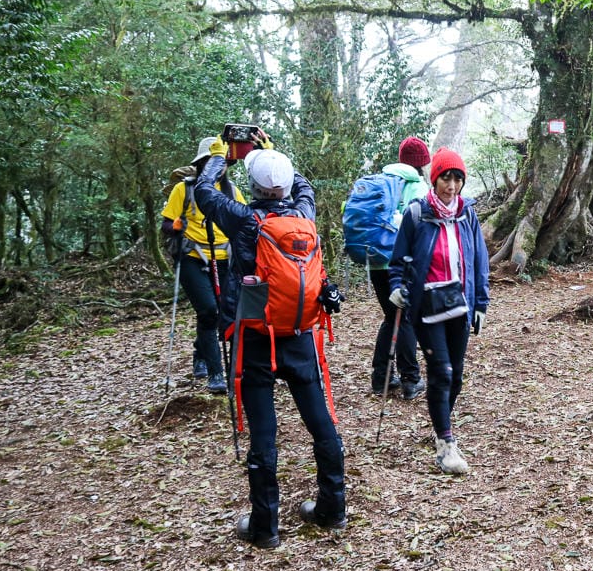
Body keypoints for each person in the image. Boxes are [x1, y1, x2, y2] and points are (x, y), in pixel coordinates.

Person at [194, 132, 347, 549]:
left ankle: (266, 526)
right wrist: (270, 149)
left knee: (264, 431)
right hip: (299, 335)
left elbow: (204, 192)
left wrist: (220, 155)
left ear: (255, 186)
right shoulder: (305, 215)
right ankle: (332, 509)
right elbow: (303, 185)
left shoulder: (243, 219)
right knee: (321, 422)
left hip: (256, 336)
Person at [389, 147, 489, 475]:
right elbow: (398, 260)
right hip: (427, 306)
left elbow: (479, 261)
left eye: (458, 178)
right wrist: (395, 288)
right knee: (441, 373)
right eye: (446, 177)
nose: (452, 185)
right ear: (435, 178)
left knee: (456, 376)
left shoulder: (467, 214)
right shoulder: (418, 214)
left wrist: (481, 303)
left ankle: (439, 423)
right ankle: (446, 445)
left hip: (460, 304)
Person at [160, 138, 245, 395]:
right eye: (210, 162)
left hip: (224, 258)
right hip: (192, 257)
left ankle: (201, 352)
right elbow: (166, 224)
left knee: (221, 311)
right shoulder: (183, 190)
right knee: (209, 310)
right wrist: (175, 227)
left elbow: (243, 222)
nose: (216, 167)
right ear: (201, 163)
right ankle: (216, 372)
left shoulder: (232, 192)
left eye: (220, 162)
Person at [368, 136, 431, 399]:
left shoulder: (380, 181)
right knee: (404, 318)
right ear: (422, 163)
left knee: (391, 316)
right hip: (402, 263)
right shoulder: (418, 188)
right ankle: (410, 379)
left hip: (375, 260)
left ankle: (381, 376)